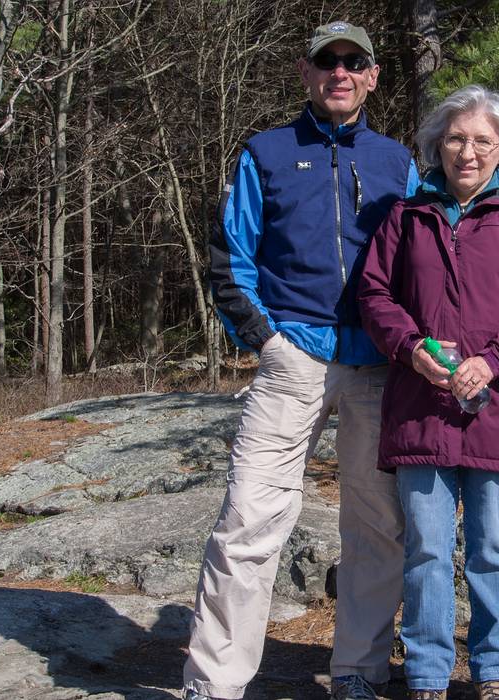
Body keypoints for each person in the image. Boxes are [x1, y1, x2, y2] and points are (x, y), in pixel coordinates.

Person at [183, 21, 420, 700]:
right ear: (305, 73)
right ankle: (215, 683)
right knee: (248, 519)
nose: (339, 73)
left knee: (378, 526)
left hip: (378, 366)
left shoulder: (396, 161)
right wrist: (265, 340)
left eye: (354, 63)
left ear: (373, 75)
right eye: (327, 62)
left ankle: (358, 672)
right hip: (291, 360)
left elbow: (416, 264)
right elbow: (231, 257)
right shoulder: (265, 152)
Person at [359, 85, 499, 700]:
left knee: (493, 550)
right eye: (455, 139)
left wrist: (496, 359)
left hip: (496, 409)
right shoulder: (405, 215)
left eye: (481, 140)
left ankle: (494, 672)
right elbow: (374, 296)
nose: (467, 152)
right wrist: (409, 349)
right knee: (425, 548)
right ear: (435, 146)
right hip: (420, 408)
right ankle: (426, 672)